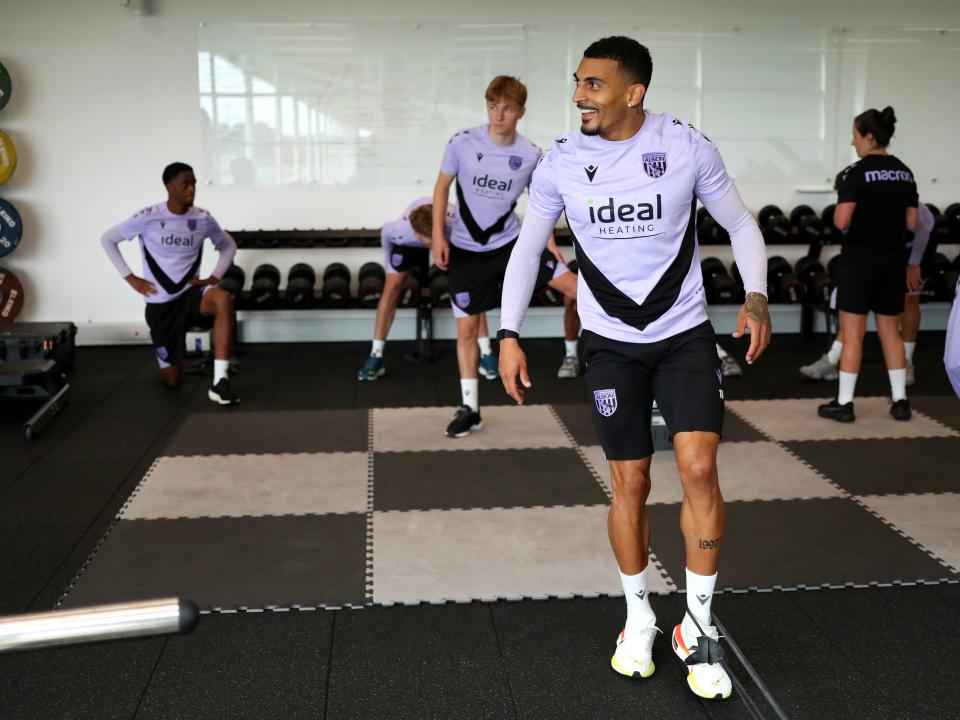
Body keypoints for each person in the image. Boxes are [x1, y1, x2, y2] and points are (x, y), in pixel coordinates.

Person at [497, 36, 770, 700]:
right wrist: (507, 333)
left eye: (592, 84)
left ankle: (698, 627)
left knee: (701, 468)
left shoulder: (684, 147)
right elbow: (528, 248)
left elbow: (741, 223)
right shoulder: (561, 161)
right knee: (631, 481)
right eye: (577, 81)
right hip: (611, 342)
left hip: (683, 334)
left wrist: (757, 297)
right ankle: (639, 614)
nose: (578, 95)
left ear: (632, 92)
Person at [431, 75, 577, 437]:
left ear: (520, 112)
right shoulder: (462, 143)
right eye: (493, 106)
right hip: (466, 249)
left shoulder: (530, 154)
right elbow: (441, 187)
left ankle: (631, 358)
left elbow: (544, 201)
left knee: (578, 290)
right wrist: (437, 236)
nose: (499, 115)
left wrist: (549, 242)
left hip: (512, 244)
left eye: (507, 108)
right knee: (466, 329)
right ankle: (470, 408)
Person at [101, 162, 240, 405]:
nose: (192, 189)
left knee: (223, 299)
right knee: (172, 382)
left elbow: (228, 246)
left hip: (191, 297)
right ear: (169, 187)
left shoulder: (203, 219)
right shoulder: (148, 217)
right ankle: (169, 357)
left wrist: (214, 278)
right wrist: (131, 278)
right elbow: (108, 239)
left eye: (194, 183)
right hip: (161, 306)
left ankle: (220, 382)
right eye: (186, 183)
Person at [817, 107, 918, 423]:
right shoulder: (905, 173)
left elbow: (842, 219)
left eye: (855, 135)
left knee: (853, 332)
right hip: (893, 260)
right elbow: (912, 223)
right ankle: (900, 401)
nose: (852, 142)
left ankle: (845, 403)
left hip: (860, 262)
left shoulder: (855, 173)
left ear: (870, 137)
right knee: (891, 330)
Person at [356, 198, 501, 381]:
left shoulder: (457, 224)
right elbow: (385, 235)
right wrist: (389, 268)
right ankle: (375, 355)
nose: (434, 244)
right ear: (418, 234)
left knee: (470, 291)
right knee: (391, 288)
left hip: (451, 239)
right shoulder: (400, 231)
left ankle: (486, 354)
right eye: (431, 241)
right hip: (409, 245)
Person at [800, 201, 933, 385]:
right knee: (854, 307)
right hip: (886, 247)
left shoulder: (899, 202)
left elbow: (924, 229)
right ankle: (831, 359)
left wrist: (913, 264)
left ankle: (907, 361)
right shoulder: (855, 210)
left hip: (919, 243)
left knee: (909, 298)